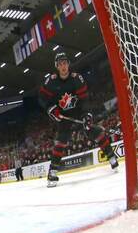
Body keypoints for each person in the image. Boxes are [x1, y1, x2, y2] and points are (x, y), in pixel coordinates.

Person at [39, 52, 119, 188]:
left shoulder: (77, 78)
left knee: (92, 131)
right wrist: (51, 109)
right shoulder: (51, 81)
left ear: (68, 64)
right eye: (60, 64)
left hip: (79, 112)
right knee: (62, 140)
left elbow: (85, 99)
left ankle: (111, 156)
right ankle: (52, 172)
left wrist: (87, 115)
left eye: (65, 63)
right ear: (57, 66)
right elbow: (42, 98)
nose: (63, 66)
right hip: (62, 115)